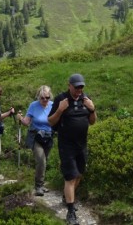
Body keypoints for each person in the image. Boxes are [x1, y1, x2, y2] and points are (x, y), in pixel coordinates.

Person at [48, 74, 97, 225]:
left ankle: (67, 197)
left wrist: (92, 109)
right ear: (69, 85)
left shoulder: (85, 99)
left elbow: (93, 122)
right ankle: (70, 212)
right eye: (76, 87)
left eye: (81, 87)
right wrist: (60, 110)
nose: (79, 90)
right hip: (66, 145)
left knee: (79, 174)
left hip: (82, 144)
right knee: (70, 176)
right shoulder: (60, 99)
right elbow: (50, 122)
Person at [17, 85, 54, 196]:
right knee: (41, 160)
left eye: (47, 97)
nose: (44, 100)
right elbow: (27, 122)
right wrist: (21, 119)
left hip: (48, 136)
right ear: (38, 97)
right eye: (42, 98)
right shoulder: (33, 105)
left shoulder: (53, 106)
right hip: (36, 136)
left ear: (50, 96)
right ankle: (38, 186)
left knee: (45, 160)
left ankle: (41, 184)